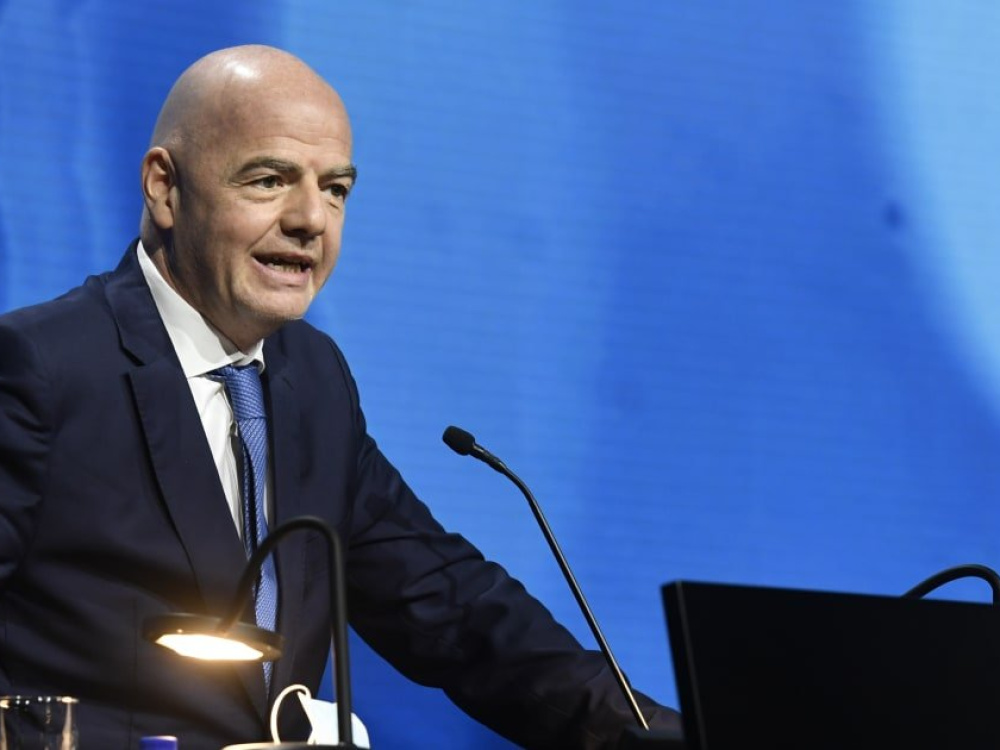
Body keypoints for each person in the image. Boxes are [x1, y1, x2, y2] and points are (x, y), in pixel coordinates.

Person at [0, 45, 681, 748]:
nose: (311, 220)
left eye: (336, 190)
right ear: (165, 188)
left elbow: (451, 606)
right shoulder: (40, 369)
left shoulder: (314, 379)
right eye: (269, 180)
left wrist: (665, 734)